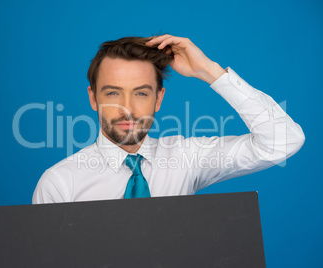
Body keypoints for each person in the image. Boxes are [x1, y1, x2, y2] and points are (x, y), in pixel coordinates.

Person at [32, 34, 305, 204]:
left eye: (141, 93)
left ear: (158, 99)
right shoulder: (60, 183)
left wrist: (209, 71)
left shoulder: (187, 158)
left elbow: (282, 142)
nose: (127, 108)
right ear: (93, 99)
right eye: (113, 92)